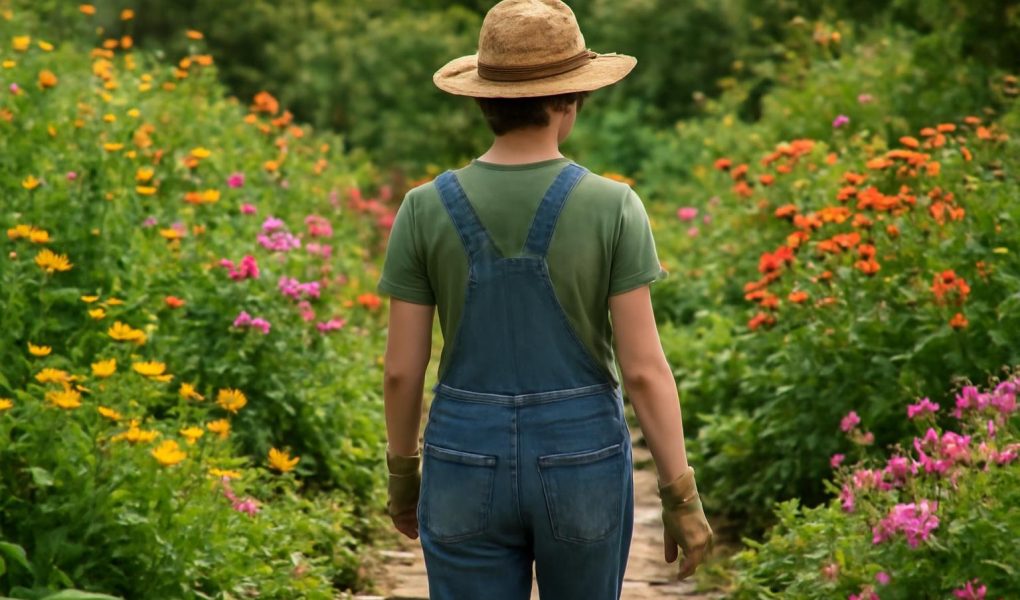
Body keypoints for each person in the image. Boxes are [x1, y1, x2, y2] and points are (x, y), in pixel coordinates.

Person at [377, 1, 712, 598]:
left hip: (463, 454)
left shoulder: (423, 208)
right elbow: (643, 370)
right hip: (583, 454)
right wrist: (679, 494)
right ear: (570, 99)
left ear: (483, 100)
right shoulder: (613, 207)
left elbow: (403, 370)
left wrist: (404, 476)